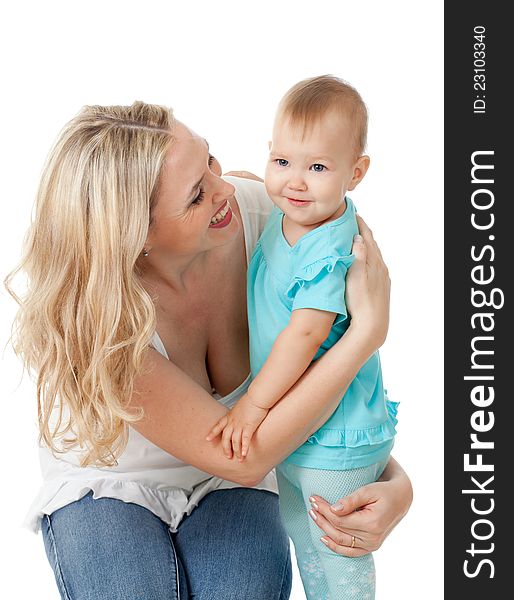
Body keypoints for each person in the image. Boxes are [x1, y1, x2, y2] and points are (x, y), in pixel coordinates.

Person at [4, 100, 412, 600]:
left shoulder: (277, 219)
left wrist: (394, 481)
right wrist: (367, 333)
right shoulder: (97, 317)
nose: (227, 190)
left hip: (240, 480)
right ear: (134, 235)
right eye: (197, 195)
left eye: (210, 162)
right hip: (113, 482)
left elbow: (341, 382)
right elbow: (241, 454)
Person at [207, 75, 397, 600]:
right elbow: (256, 186)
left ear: (356, 173)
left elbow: (306, 334)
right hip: (300, 432)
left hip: (335, 436)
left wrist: (251, 408)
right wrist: (251, 178)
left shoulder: (329, 245)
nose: (294, 181)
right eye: (283, 162)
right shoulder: (292, 214)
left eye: (318, 167)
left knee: (340, 559)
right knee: (304, 544)